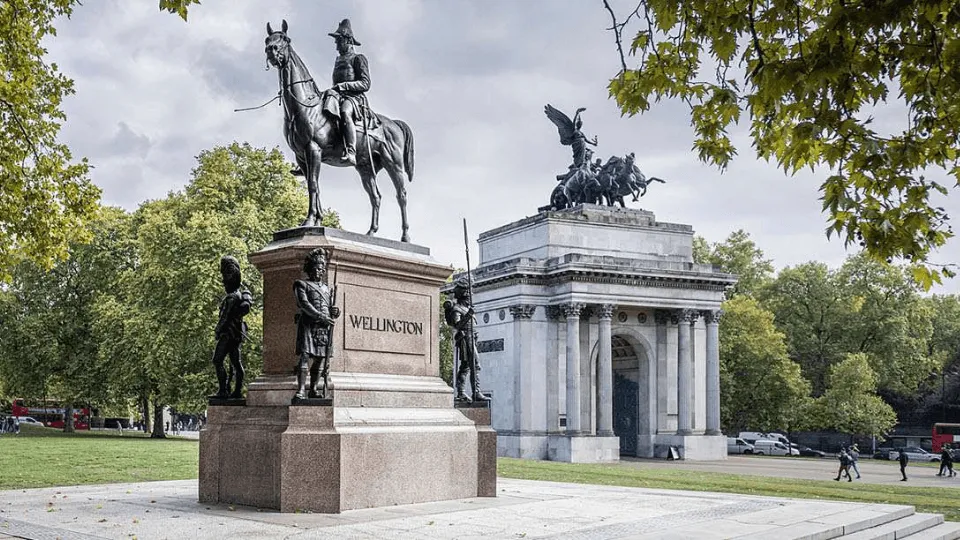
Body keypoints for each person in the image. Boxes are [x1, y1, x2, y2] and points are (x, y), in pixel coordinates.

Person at [293, 248, 341, 400]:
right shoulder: (301, 285)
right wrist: (321, 316)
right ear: (310, 268)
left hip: (323, 328)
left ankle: (313, 389)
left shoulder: (327, 289)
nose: (320, 271)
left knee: (320, 359)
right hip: (308, 325)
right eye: (317, 268)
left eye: (322, 268)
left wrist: (335, 312)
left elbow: (329, 308)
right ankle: (301, 390)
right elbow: (304, 304)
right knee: (305, 356)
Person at [323, 19, 370, 166]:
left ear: (348, 40)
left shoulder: (358, 58)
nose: (336, 46)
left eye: (339, 41)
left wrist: (343, 86)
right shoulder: (338, 60)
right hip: (337, 96)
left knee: (345, 112)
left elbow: (365, 83)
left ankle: (351, 151)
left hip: (354, 98)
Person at [212, 256, 253, 399]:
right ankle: (237, 390)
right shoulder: (238, 294)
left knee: (217, 360)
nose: (223, 281)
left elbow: (225, 317)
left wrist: (217, 330)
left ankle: (223, 390)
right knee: (236, 362)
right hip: (236, 334)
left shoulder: (232, 297)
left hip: (228, 334)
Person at [444, 278, 490, 403]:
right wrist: (469, 314)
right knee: (474, 365)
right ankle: (474, 392)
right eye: (469, 295)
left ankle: (462, 392)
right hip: (465, 339)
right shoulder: (457, 309)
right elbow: (457, 325)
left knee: (466, 367)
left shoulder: (467, 308)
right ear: (464, 295)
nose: (471, 297)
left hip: (472, 338)